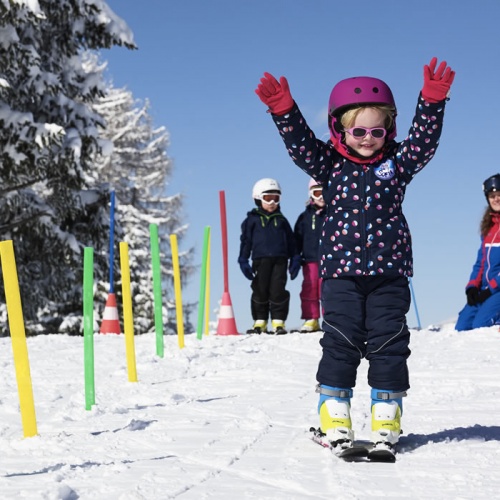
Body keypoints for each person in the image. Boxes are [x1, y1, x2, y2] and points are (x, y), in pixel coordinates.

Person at [255, 57, 455, 454]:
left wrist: (432, 102)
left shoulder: (396, 165)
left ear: (389, 131)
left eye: (377, 131)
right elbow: (301, 147)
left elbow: (423, 144)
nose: (368, 138)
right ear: (339, 130)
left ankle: (386, 421)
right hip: (341, 275)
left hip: (389, 273)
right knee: (341, 341)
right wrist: (284, 111)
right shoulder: (329, 165)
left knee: (389, 342)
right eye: (359, 130)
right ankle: (336, 417)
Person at [238, 178, 301, 335]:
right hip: (260, 260)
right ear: (258, 198)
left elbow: (292, 242)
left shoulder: (281, 220)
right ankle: (260, 321)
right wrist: (243, 259)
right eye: (268, 198)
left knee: (278, 290)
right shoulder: (252, 220)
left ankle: (278, 322)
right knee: (260, 289)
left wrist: (295, 259)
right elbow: (246, 241)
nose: (272, 202)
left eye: (276, 198)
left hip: (280, 260)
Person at [455, 174, 500, 331]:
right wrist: (472, 286)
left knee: (481, 326)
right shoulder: (489, 229)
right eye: (492, 196)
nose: (496, 199)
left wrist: (491, 289)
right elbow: (480, 263)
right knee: (462, 327)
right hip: (486, 290)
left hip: (496, 290)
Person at [294, 178, 326, 333]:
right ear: (311, 195)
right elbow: (297, 237)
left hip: (331, 261)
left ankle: (331, 319)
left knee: (329, 290)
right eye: (317, 193)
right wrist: (295, 256)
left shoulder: (335, 214)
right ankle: (311, 318)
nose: (321, 197)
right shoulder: (305, 217)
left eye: (324, 192)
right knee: (310, 288)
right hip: (310, 259)